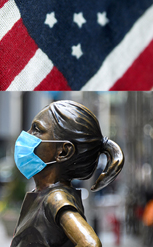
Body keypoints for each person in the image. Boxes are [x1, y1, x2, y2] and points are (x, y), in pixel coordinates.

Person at [11, 100, 124, 247]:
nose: (27, 135)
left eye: (36, 129)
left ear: (63, 151)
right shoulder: (44, 194)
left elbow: (90, 243)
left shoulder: (56, 198)